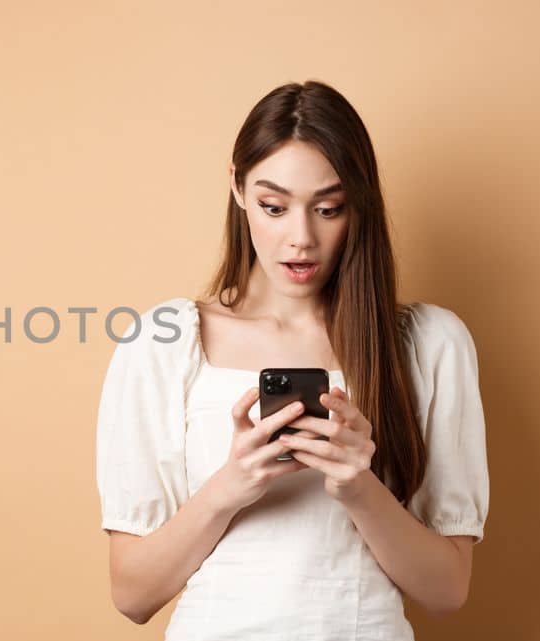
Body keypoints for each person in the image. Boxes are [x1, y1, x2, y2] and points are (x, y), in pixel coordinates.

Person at [95, 80, 490, 640]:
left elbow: (446, 592)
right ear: (237, 188)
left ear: (360, 205)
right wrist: (231, 486)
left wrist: (360, 486)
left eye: (328, 208)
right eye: (274, 207)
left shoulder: (429, 343)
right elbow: (133, 595)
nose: (300, 238)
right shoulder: (163, 342)